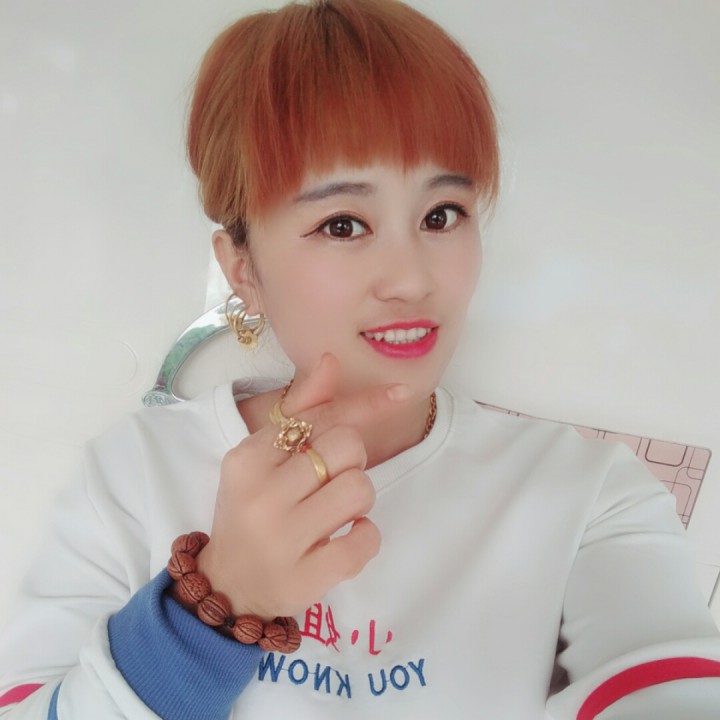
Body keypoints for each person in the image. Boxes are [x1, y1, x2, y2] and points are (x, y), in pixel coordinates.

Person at [1, 0, 720, 717]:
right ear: (243, 267)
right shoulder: (132, 475)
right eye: (343, 224)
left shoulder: (585, 493)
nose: (411, 279)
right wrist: (215, 608)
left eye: (441, 214)